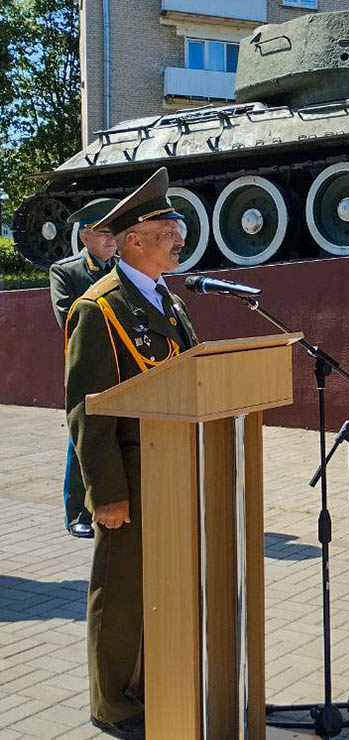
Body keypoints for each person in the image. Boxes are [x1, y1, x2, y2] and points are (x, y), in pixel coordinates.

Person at [64, 168, 197, 739]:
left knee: (160, 587)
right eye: (168, 230)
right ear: (134, 240)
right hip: (131, 473)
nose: (179, 238)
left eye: (177, 228)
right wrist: (106, 493)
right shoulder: (99, 309)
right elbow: (86, 411)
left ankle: (152, 684)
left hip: (174, 467)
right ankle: (114, 703)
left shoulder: (169, 300)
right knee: (120, 593)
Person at [50, 198, 120, 539]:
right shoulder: (66, 272)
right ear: (85, 237)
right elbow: (68, 319)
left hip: (125, 365)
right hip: (88, 367)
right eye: (102, 232)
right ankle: (78, 511)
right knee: (83, 436)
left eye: (113, 231)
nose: (111, 238)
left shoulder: (125, 268)